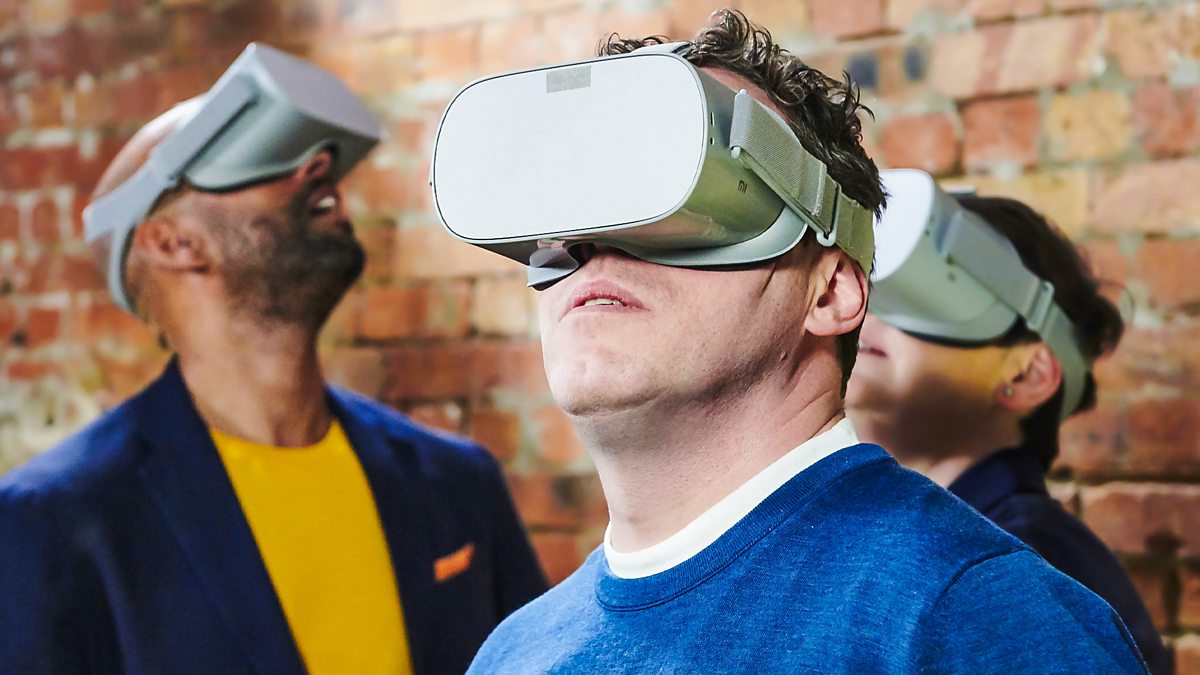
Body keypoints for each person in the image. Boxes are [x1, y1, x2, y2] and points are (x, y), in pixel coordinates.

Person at [461, 11, 1147, 672]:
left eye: (690, 199)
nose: (592, 243)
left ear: (830, 291)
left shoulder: (978, 620)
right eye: (578, 209)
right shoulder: (510, 654)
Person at [0, 45, 546, 675]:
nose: (319, 165)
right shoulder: (58, 518)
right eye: (261, 156)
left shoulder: (458, 485)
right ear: (172, 243)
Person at [846, 187, 1171, 673]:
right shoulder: (906, 542)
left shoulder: (1022, 560)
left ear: (1026, 375)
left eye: (928, 291)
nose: (867, 309)